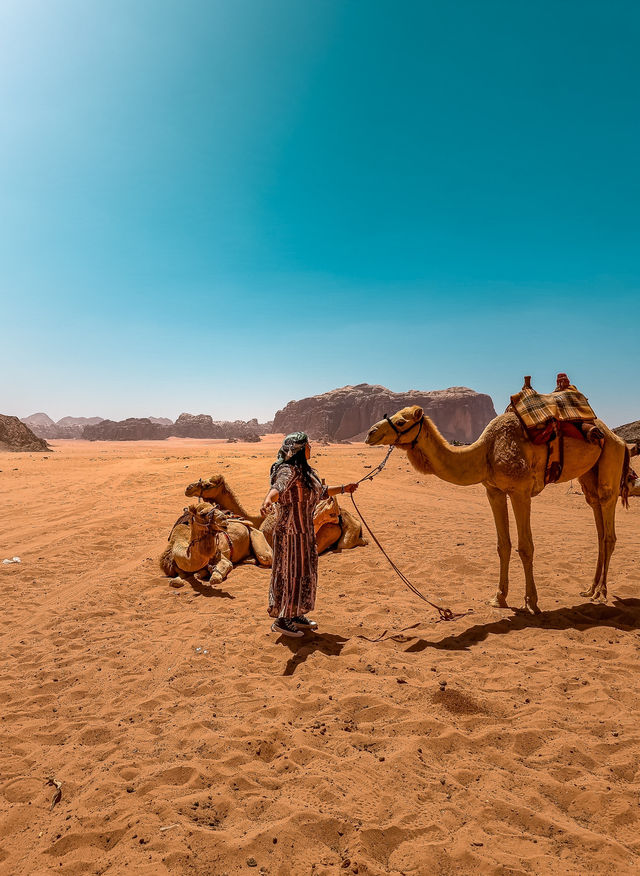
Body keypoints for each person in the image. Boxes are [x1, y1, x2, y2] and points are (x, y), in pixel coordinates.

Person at [260, 431, 359, 638]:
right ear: (299, 449)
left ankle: (296, 614)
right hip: (289, 534)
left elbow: (321, 491)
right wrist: (269, 499)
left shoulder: (307, 473)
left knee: (305, 574)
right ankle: (283, 619)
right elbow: (278, 488)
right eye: (307, 445)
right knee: (289, 574)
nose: (310, 448)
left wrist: (344, 488)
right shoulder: (287, 471)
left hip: (305, 533)